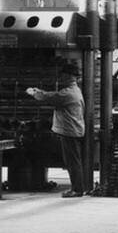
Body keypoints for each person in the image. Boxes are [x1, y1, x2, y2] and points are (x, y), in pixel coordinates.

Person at [27, 63, 86, 197]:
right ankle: (78, 188)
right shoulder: (74, 90)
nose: (61, 78)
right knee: (73, 161)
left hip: (70, 131)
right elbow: (54, 95)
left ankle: (77, 190)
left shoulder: (68, 93)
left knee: (72, 162)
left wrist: (34, 93)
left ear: (70, 77)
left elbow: (50, 97)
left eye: (64, 75)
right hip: (72, 130)